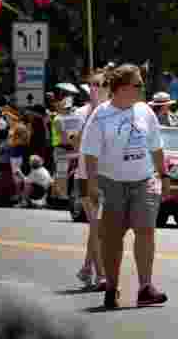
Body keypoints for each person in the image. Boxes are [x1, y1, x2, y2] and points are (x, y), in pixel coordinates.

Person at [81, 64, 169, 310]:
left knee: (146, 231)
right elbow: (90, 154)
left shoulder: (145, 112)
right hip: (111, 183)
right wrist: (92, 186)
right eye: (137, 85)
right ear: (121, 88)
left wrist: (164, 175)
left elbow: (156, 146)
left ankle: (145, 288)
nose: (142, 89)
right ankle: (111, 287)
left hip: (143, 181)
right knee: (112, 238)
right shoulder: (101, 115)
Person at [73, 70, 109, 291]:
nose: (97, 88)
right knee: (98, 226)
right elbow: (77, 146)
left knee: (98, 226)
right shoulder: (82, 112)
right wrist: (91, 116)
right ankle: (101, 274)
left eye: (103, 84)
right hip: (86, 176)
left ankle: (87, 268)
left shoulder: (114, 112)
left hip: (109, 175)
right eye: (93, 84)